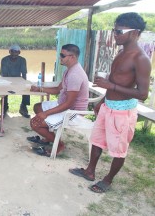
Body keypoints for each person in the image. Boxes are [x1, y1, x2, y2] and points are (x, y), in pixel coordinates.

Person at [69, 12, 151, 193]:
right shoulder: (121, 53)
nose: (115, 34)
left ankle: (108, 179)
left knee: (118, 149)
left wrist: (110, 85)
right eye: (114, 30)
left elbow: (143, 94)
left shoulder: (141, 59)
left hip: (123, 112)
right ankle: (90, 171)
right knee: (97, 140)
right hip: (108, 107)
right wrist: (103, 100)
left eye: (119, 31)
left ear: (134, 33)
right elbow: (116, 80)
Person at [28, 44, 89, 157]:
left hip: (73, 112)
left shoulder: (75, 75)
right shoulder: (68, 71)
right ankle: (49, 137)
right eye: (60, 54)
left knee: (34, 123)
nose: (59, 57)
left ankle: (59, 145)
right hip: (64, 105)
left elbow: (68, 104)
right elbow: (57, 89)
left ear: (72, 57)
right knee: (37, 107)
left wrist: (45, 114)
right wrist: (39, 88)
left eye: (62, 55)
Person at [0, 44, 30, 118]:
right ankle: (4, 108)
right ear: (9, 52)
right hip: (6, 80)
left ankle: (23, 107)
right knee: (4, 89)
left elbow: (24, 74)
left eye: (16, 52)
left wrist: (24, 84)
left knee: (27, 87)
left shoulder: (22, 60)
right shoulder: (4, 59)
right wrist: (10, 84)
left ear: (19, 53)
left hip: (18, 80)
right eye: (12, 51)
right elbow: (3, 74)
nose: (14, 54)